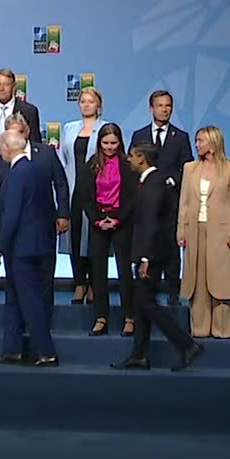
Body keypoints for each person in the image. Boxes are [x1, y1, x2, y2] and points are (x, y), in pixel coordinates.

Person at [112, 142, 203, 372]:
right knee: (142, 303)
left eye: (131, 155)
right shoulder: (152, 182)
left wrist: (145, 258)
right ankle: (140, 354)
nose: (128, 159)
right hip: (152, 252)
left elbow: (151, 223)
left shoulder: (152, 185)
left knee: (146, 302)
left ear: (142, 158)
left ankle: (186, 344)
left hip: (150, 254)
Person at [0, 113, 69, 325]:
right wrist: (8, 211)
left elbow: (60, 183)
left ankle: (44, 324)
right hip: (14, 232)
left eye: (18, 133)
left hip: (44, 226)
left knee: (45, 278)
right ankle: (20, 331)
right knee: (16, 284)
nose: (15, 140)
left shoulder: (46, 153)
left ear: (27, 132)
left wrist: (63, 213)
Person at [0, 68, 41, 303]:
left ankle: (19, 287)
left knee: (17, 233)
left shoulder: (29, 111)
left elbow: (36, 146)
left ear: (14, 86)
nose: (1, 88)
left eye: (5, 84)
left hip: (19, 180)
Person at [0, 130, 58, 367]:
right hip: (33, 243)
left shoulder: (18, 173)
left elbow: (12, 215)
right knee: (15, 299)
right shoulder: (33, 169)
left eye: (0, 147)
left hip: (22, 248)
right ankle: (12, 349)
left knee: (29, 300)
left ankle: (46, 351)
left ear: (9, 147)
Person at [178, 126, 230, 338]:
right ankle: (200, 326)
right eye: (196, 140)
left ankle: (223, 328)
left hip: (221, 232)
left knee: (221, 278)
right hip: (195, 230)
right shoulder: (190, 169)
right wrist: (181, 230)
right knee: (197, 279)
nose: (197, 145)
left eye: (200, 141)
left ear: (213, 143)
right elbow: (185, 203)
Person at [130, 90, 192, 305]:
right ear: (151, 108)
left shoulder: (181, 137)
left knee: (171, 249)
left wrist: (171, 181)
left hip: (171, 202)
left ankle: (174, 293)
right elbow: (133, 166)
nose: (164, 110)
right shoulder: (139, 135)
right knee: (147, 242)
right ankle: (147, 291)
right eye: (160, 105)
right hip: (146, 202)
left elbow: (187, 168)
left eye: (168, 106)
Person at [74, 123, 137, 337]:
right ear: (99, 143)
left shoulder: (128, 166)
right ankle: (101, 317)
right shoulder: (91, 165)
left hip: (121, 222)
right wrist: (99, 219)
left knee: (125, 271)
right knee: (98, 273)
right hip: (98, 222)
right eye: (105, 143)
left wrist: (117, 218)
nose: (109, 147)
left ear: (120, 142)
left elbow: (132, 198)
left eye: (113, 143)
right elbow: (84, 196)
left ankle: (129, 317)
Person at [57, 87, 109, 304]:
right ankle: (79, 283)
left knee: (95, 238)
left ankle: (95, 285)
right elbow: (62, 159)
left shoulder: (106, 128)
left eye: (91, 101)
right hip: (72, 189)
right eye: (83, 101)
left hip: (97, 191)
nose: (86, 105)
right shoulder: (69, 128)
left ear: (99, 105)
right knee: (74, 236)